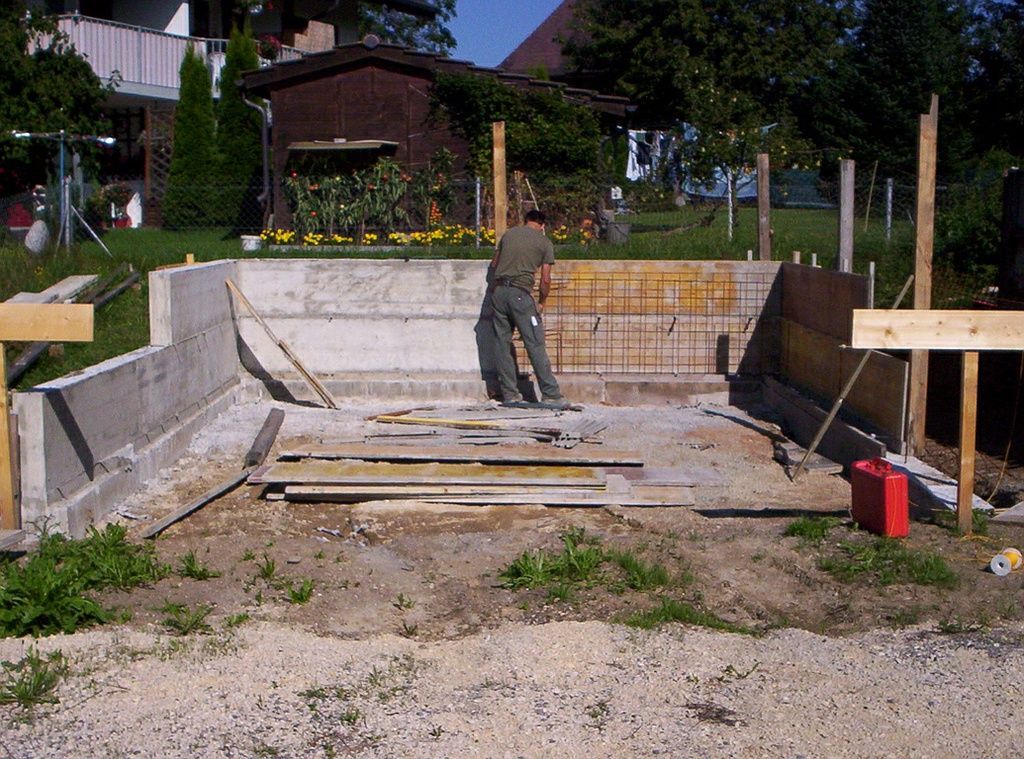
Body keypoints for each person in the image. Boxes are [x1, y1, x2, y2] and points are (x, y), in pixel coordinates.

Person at [489, 209, 569, 408]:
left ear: (525, 221)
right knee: (534, 342)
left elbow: (493, 264)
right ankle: (551, 393)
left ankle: (510, 394)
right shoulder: (544, 243)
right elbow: (545, 279)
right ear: (542, 225)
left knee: (501, 343)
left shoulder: (508, 235)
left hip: (499, 293)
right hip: (520, 294)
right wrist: (541, 302)